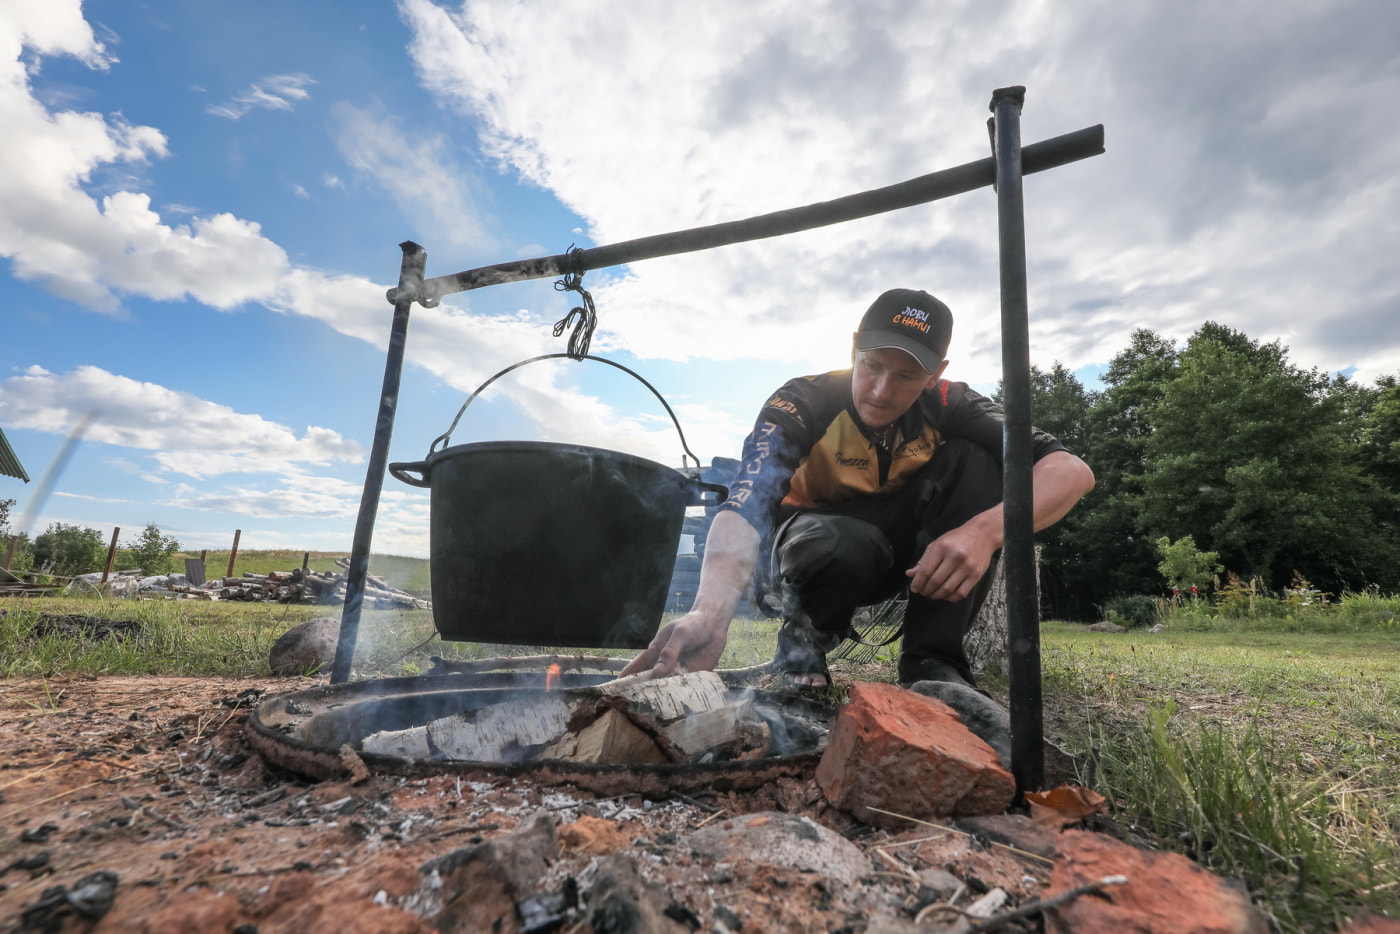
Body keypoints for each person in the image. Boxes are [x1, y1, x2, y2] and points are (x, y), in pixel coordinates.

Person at [620, 288, 1095, 688]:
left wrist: (984, 532)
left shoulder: (952, 403)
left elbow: (1072, 471)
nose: (881, 391)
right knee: (840, 540)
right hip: (801, 555)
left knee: (980, 459)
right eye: (871, 366)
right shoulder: (802, 400)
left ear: (935, 374)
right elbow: (746, 503)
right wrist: (709, 613)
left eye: (906, 376)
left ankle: (933, 663)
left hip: (902, 557)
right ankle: (802, 648)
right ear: (853, 349)